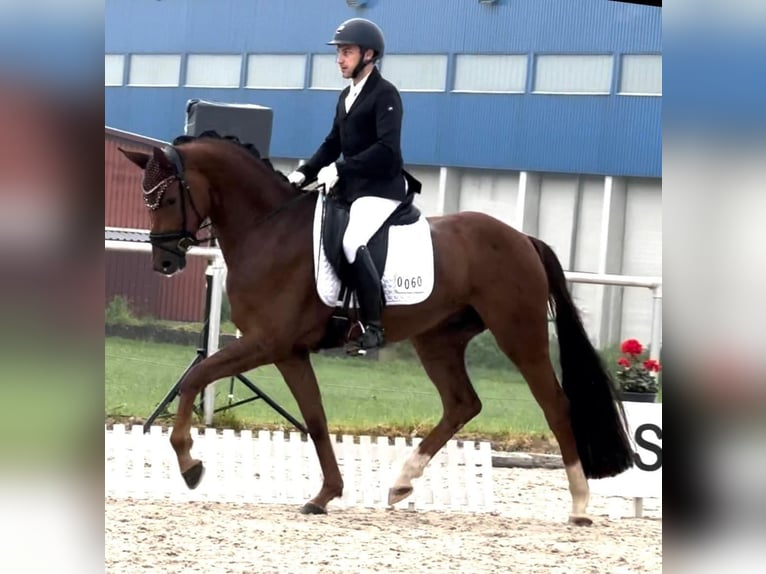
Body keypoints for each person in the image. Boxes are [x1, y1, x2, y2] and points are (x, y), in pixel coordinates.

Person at [287, 18, 412, 352]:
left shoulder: (385, 94)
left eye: (347, 52)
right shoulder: (346, 95)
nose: (340, 59)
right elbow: (332, 142)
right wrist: (304, 172)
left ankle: (373, 326)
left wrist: (341, 168)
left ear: (368, 55)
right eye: (339, 52)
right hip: (351, 188)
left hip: (381, 189)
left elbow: (387, 150)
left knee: (352, 240)